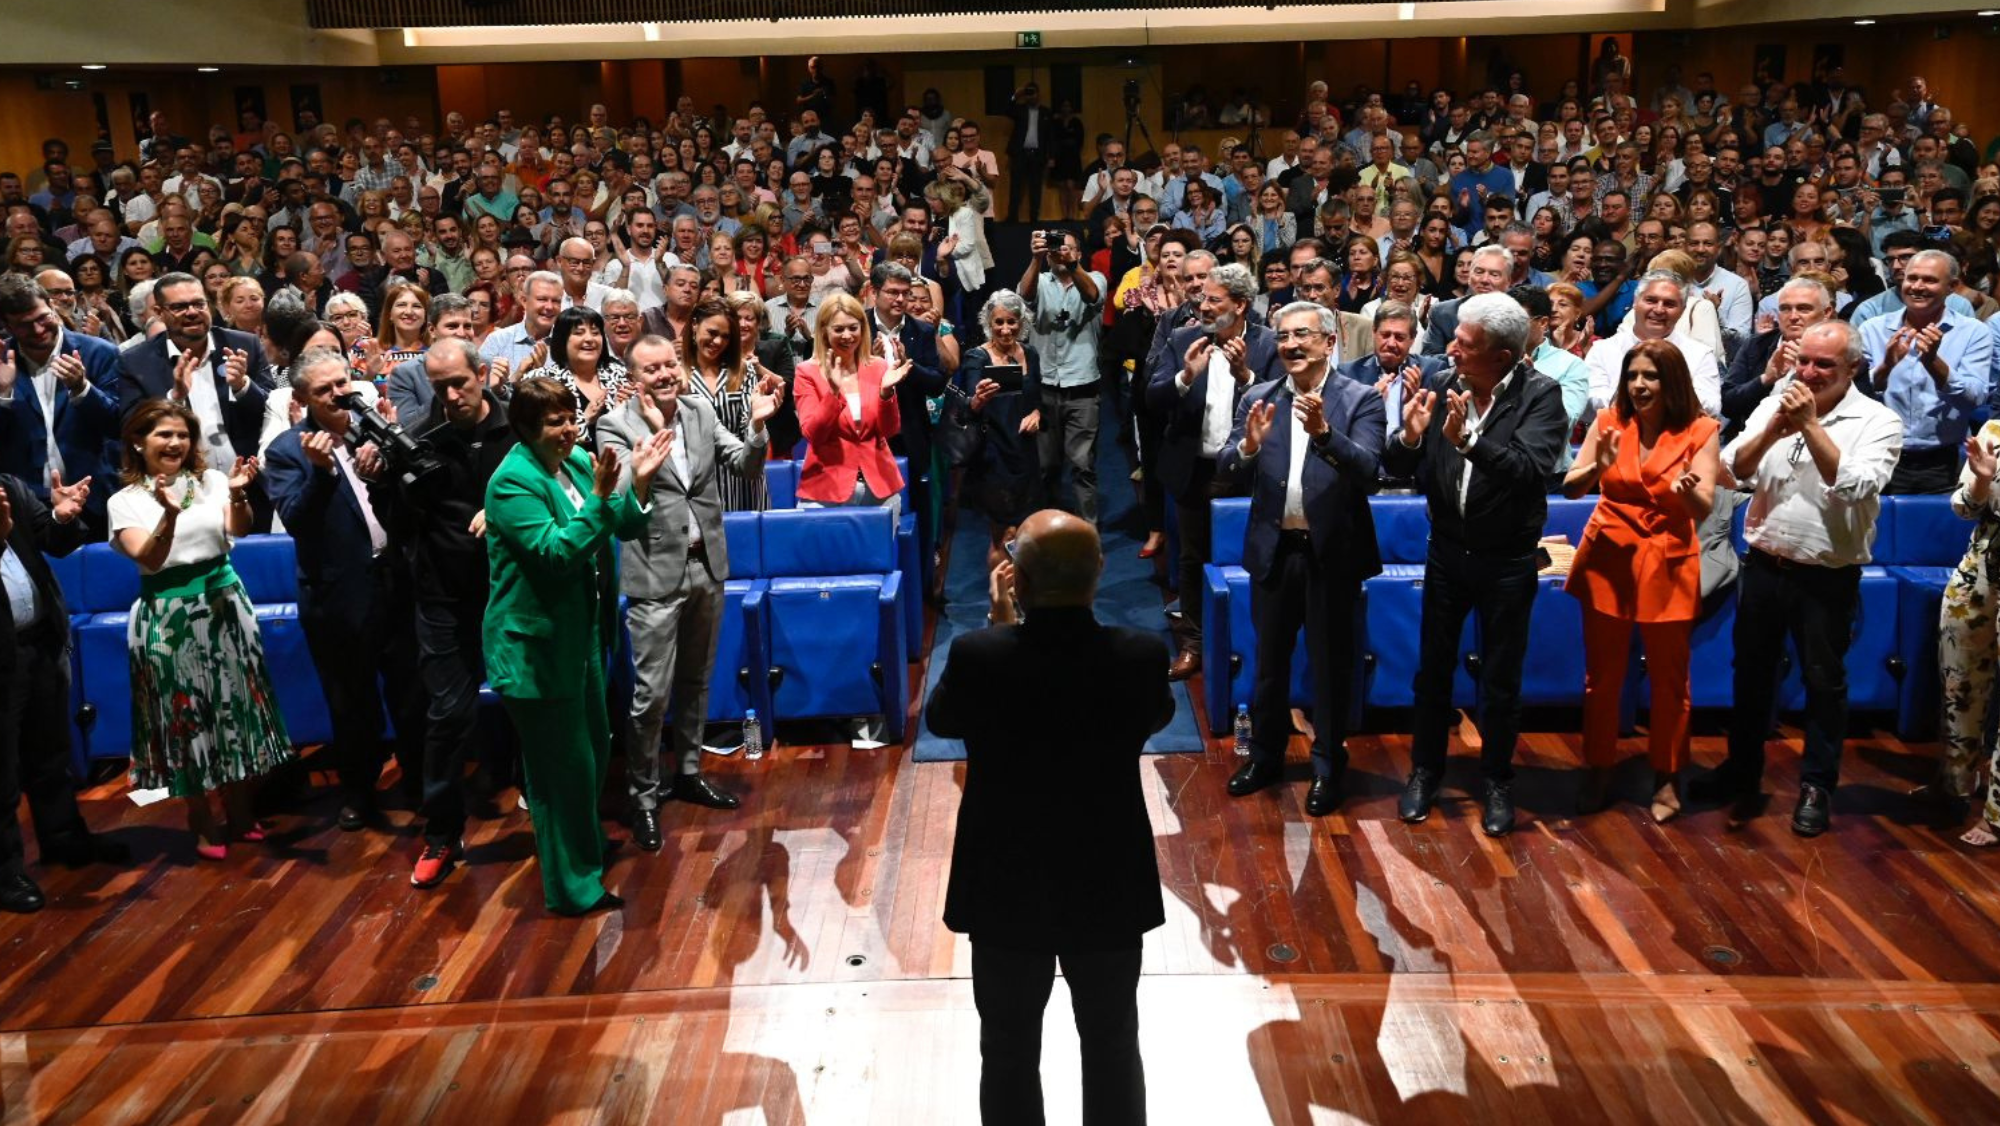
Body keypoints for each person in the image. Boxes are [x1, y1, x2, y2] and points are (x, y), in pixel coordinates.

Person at [925, 509, 1172, 1126]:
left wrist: (1001, 625)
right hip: (1107, 881)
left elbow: (943, 720)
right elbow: (1156, 715)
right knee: (1113, 1044)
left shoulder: (980, 656)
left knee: (1008, 1051)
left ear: (1021, 582)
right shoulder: (1138, 657)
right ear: (1099, 576)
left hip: (1008, 887)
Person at [1690, 321, 1904, 837]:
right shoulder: (1777, 402)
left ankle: (1816, 786)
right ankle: (1742, 771)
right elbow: (1731, 469)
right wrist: (1771, 430)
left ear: (1852, 368)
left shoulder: (1878, 420)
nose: (1808, 372)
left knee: (1823, 683)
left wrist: (1810, 426)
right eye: (1803, 360)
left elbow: (1855, 486)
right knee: (1752, 676)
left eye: (1823, 364)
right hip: (1765, 564)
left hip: (1827, 575)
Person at [482, 375, 671, 916]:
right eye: (554, 422)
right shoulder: (511, 483)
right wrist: (602, 497)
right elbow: (557, 553)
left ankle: (582, 848)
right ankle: (571, 888)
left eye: (570, 417)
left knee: (591, 751)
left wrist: (638, 483)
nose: (568, 430)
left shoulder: (583, 463)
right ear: (525, 428)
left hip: (583, 633)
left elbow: (627, 526)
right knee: (560, 770)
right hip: (535, 649)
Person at [1382, 293, 1569, 836]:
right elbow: (1396, 464)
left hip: (1508, 561)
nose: (1452, 350)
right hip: (1446, 552)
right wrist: (1410, 436)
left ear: (1503, 357)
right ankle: (1424, 771)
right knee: (1432, 671)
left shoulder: (1542, 396)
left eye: (1466, 344)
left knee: (1501, 679)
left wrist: (1468, 442)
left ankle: (1497, 780)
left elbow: (1532, 472)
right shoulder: (1441, 384)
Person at [600, 334, 776, 848]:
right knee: (651, 693)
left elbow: (744, 463)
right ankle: (643, 796)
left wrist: (759, 426)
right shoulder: (615, 424)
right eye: (651, 369)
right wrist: (643, 465)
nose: (664, 375)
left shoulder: (699, 412)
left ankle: (691, 771)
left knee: (697, 680)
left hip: (707, 565)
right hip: (655, 571)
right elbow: (615, 499)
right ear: (635, 378)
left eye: (670, 364)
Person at [1215, 301, 1384, 816]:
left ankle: (1329, 766)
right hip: (1275, 552)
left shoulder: (1359, 401)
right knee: (1269, 664)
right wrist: (1245, 447)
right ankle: (1265, 757)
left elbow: (1371, 470)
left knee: (1332, 667)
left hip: (1331, 555)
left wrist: (1326, 436)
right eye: (1283, 336)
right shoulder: (1259, 396)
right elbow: (1226, 466)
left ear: (1329, 342)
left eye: (1302, 335)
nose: (1289, 344)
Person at [108, 400, 291, 858]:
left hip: (226, 604)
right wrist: (168, 515)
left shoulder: (209, 481)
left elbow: (240, 531)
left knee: (238, 709)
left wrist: (238, 495)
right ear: (138, 441)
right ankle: (202, 816)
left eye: (182, 435)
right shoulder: (124, 501)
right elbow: (149, 558)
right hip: (168, 618)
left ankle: (242, 808)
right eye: (163, 435)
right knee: (184, 718)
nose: (175, 443)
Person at [263, 349, 426, 832]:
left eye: (344, 382)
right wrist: (323, 471)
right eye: (325, 389)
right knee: (351, 703)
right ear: (302, 399)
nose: (340, 394)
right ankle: (359, 792)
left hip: (396, 583)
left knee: (413, 695)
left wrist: (389, 466)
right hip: (338, 597)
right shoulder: (288, 450)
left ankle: (419, 782)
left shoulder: (379, 427)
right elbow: (295, 518)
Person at [376, 338, 516, 888]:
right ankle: (440, 833)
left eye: (459, 382)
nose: (451, 395)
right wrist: (379, 478)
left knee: (532, 705)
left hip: (513, 594)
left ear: (482, 374)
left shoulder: (517, 432)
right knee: (447, 717)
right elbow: (399, 524)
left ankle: (544, 807)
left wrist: (499, 511)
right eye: (439, 388)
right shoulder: (419, 442)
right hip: (445, 600)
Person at [1562, 340, 1721, 821]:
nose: (1639, 385)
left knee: (1671, 678)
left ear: (1670, 382)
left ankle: (1668, 773)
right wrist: (1598, 466)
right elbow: (1571, 488)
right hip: (1608, 553)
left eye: (1650, 376)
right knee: (1602, 676)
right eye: (1633, 375)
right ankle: (1598, 764)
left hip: (1667, 557)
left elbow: (1705, 506)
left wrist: (1688, 494)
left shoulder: (1700, 429)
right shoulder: (1609, 421)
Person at [1147, 260, 1281, 681]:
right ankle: (1194, 644)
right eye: (1203, 297)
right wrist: (1186, 376)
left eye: (1213, 299)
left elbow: (1282, 404)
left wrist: (1245, 376)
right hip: (1194, 470)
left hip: (1249, 473)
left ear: (1240, 305)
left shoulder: (1269, 344)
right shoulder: (1183, 337)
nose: (1203, 306)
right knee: (1192, 558)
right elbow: (1151, 400)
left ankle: (1248, 643)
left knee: (1250, 558)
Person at [0, 469, 126, 912]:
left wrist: (63, 515)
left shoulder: (8, 486)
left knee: (51, 753)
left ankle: (64, 839)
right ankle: (6, 872)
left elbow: (55, 541)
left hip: (39, 642)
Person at [1858, 248, 1990, 495]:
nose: (1917, 286)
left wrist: (1934, 363)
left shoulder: (1974, 332)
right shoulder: (1872, 329)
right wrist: (1885, 367)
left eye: (1929, 280)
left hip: (1943, 461)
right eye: (1912, 278)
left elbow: (1975, 397)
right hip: (1879, 453)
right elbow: (1854, 396)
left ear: (1951, 286)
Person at [0, 274, 123, 528]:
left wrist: (83, 389)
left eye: (42, 318)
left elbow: (119, 425)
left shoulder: (99, 353)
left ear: (52, 306)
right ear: (7, 326)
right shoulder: (1, 362)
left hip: (95, 500)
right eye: (24, 325)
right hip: (26, 506)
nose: (37, 330)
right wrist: (3, 395)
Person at [119, 272, 273, 470]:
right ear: (158, 312)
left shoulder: (244, 344)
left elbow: (272, 410)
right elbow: (131, 427)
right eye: (179, 307)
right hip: (181, 481)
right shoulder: (136, 361)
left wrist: (242, 386)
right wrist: (173, 399)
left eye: (199, 304)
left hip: (249, 478)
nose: (192, 312)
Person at [794, 292, 908, 521]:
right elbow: (813, 434)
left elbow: (890, 430)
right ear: (824, 331)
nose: (847, 336)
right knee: (826, 558)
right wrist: (833, 393)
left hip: (880, 487)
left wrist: (886, 393)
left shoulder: (878, 367)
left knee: (879, 557)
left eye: (853, 328)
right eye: (838, 329)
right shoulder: (807, 372)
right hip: (826, 489)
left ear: (862, 328)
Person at [1019, 229, 1106, 523]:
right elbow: (1024, 298)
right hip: (1044, 387)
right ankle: (1048, 528)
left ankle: (1088, 535)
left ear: (1079, 254)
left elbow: (1092, 296)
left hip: (1082, 386)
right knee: (1046, 466)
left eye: (1067, 248)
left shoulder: (1095, 278)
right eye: (1056, 248)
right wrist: (1035, 259)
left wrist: (1072, 266)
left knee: (1083, 465)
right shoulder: (1040, 280)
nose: (1060, 252)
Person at [953, 290, 1044, 569]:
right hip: (993, 457)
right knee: (1003, 534)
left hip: (1026, 455)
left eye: (1012, 322)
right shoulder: (976, 358)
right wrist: (978, 400)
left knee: (1025, 534)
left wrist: (1037, 413)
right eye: (999, 322)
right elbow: (968, 406)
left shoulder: (1030, 353)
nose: (1006, 329)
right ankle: (1001, 603)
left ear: (1022, 322)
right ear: (988, 324)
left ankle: (1020, 594)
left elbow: (1038, 399)